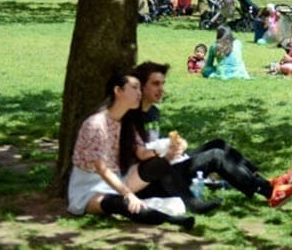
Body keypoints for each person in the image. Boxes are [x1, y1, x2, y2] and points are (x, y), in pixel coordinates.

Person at [132, 62, 292, 209]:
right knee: (215, 157)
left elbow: (156, 143)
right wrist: (167, 150)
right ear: (141, 86)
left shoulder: (153, 112)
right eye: (155, 84)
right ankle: (270, 192)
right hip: (153, 180)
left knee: (219, 144)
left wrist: (175, 146)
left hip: (166, 164)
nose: (161, 89)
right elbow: (139, 157)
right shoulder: (132, 117)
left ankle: (268, 182)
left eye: (163, 83)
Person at [66, 72, 196, 229]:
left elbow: (141, 153)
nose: (139, 93)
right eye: (134, 88)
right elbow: (101, 169)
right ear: (118, 91)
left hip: (119, 177)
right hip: (89, 188)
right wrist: (128, 194)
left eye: (140, 89)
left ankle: (193, 203)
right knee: (123, 203)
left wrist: (164, 147)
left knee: (159, 164)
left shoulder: (126, 122)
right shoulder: (95, 124)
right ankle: (171, 220)